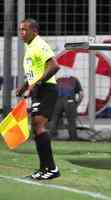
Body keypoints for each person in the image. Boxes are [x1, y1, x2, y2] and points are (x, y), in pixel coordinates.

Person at [16, 18, 60, 180]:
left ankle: (52, 169)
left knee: (39, 125)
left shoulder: (39, 45)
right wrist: (24, 85)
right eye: (20, 29)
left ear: (34, 31)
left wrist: (39, 83)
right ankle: (43, 169)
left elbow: (54, 65)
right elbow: (36, 71)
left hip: (47, 89)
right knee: (36, 126)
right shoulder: (30, 47)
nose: (22, 32)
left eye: (25, 29)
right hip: (39, 89)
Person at [49, 68, 84, 141]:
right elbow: (81, 94)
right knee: (71, 121)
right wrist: (76, 104)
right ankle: (73, 138)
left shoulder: (57, 80)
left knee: (54, 119)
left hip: (57, 101)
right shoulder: (74, 79)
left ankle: (51, 137)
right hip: (70, 101)